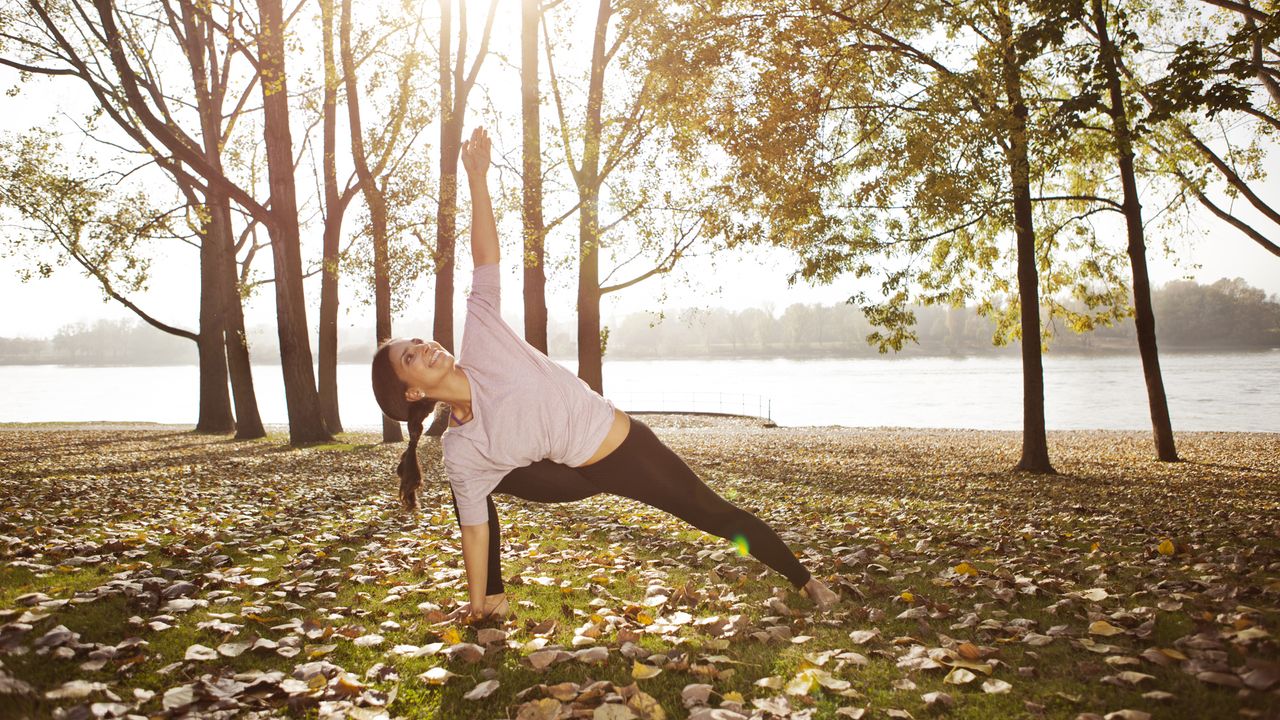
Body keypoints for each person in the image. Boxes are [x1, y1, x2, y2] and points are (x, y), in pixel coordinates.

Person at [371, 127, 839, 621]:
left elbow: (485, 259)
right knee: (467, 478)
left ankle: (808, 581)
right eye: (410, 357)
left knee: (712, 512)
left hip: (625, 449)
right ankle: (493, 603)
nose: (424, 347)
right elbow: (473, 528)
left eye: (417, 340)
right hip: (567, 476)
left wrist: (478, 180)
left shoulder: (481, 336)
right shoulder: (461, 447)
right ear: (414, 390)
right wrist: (473, 603)